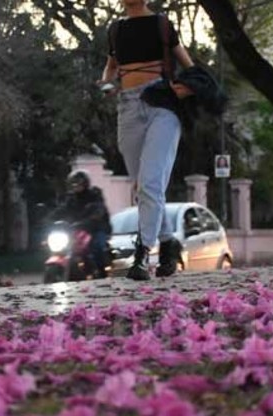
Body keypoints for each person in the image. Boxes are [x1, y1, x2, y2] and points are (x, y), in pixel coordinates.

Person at [98, 0, 194, 281]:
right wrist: (106, 83)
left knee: (151, 181)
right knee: (144, 185)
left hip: (162, 104)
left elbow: (188, 66)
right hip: (127, 107)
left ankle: (142, 254)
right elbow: (110, 68)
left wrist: (185, 87)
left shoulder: (162, 24)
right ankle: (168, 241)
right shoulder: (115, 29)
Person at [60, 170, 112, 278]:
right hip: (78, 229)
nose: (75, 186)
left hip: (96, 228)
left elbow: (99, 209)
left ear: (85, 183)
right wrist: (46, 219)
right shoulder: (71, 198)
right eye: (73, 184)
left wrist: (94, 217)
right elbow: (61, 209)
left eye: (78, 183)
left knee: (97, 247)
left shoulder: (94, 195)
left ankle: (102, 273)